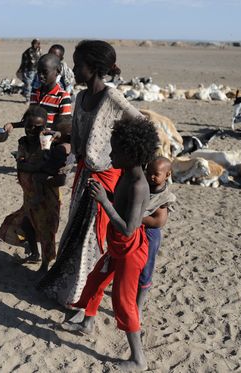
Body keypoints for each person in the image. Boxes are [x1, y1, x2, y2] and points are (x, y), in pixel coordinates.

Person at [38, 40, 143, 308]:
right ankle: (71, 284)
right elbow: (79, 138)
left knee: (91, 236)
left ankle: (82, 293)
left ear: (94, 67)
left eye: (77, 63)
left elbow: (141, 123)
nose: (73, 68)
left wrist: (118, 151)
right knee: (75, 229)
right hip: (83, 175)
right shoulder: (81, 97)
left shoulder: (112, 97)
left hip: (105, 177)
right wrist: (65, 144)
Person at [61, 116, 158, 371]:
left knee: (123, 303)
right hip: (117, 247)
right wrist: (106, 195)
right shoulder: (126, 173)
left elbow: (129, 228)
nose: (110, 153)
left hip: (129, 252)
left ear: (130, 152)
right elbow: (121, 206)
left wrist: (105, 201)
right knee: (94, 281)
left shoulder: (139, 185)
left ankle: (138, 359)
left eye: (115, 149)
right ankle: (87, 323)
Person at [0, 107, 72, 272]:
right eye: (29, 125)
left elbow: (46, 166)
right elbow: (22, 163)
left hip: (46, 196)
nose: (32, 130)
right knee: (27, 224)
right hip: (29, 193)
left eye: (38, 127)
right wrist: (32, 167)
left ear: (44, 127)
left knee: (46, 231)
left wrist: (30, 166)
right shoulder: (23, 142)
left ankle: (45, 265)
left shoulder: (47, 142)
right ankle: (35, 254)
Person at [137, 157, 176, 322]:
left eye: (156, 174)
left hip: (150, 233)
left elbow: (159, 221)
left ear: (167, 175)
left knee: (146, 268)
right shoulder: (143, 185)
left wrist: (136, 218)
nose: (151, 176)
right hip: (134, 228)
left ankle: (138, 306)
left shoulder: (165, 196)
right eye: (149, 172)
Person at [4, 53, 72, 133]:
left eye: (45, 72)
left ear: (57, 71)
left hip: (50, 142)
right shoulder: (34, 93)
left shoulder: (62, 96)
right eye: (38, 72)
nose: (41, 76)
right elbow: (31, 120)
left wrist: (50, 132)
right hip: (33, 141)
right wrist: (13, 125)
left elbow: (64, 127)